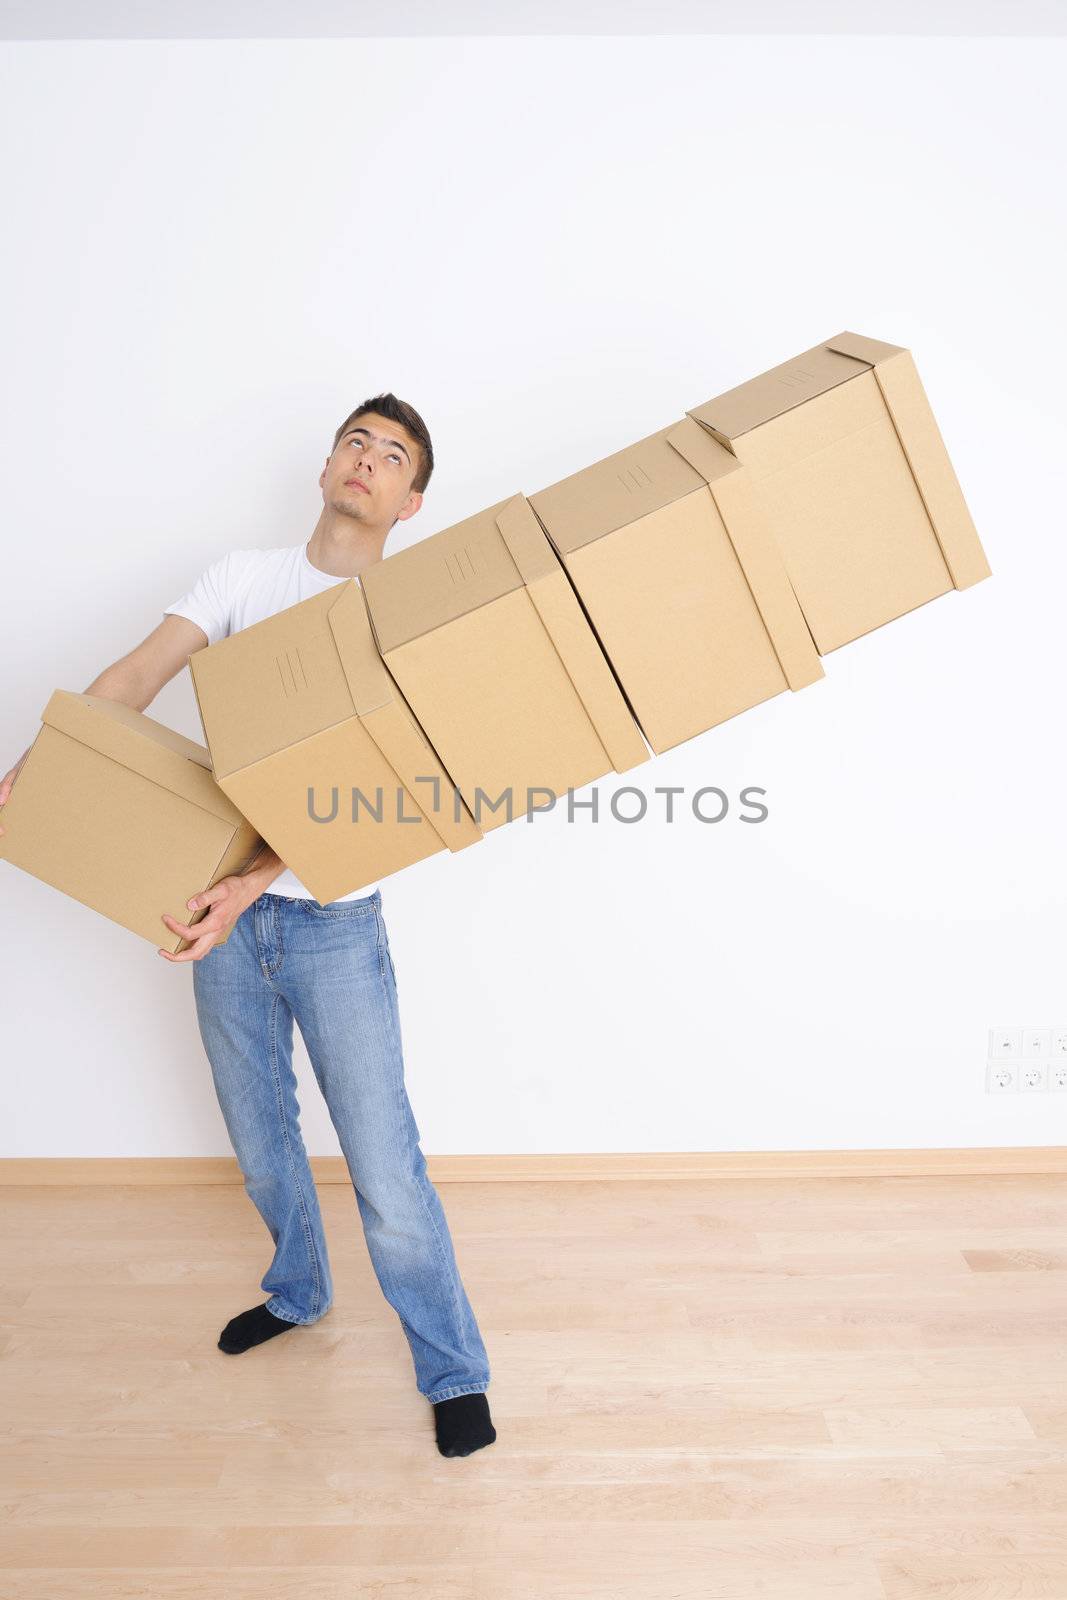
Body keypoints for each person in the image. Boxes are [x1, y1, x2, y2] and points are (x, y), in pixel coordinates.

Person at [0, 394, 496, 1460]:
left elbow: (384, 791)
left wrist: (252, 881)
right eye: (354, 441)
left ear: (410, 503)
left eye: (392, 455)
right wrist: (52, 759)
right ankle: (298, 1292)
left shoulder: (397, 617)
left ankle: (452, 1368)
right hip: (217, 914)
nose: (365, 459)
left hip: (328, 923)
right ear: (326, 466)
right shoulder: (241, 580)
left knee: (382, 1158)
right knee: (262, 1140)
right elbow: (135, 675)